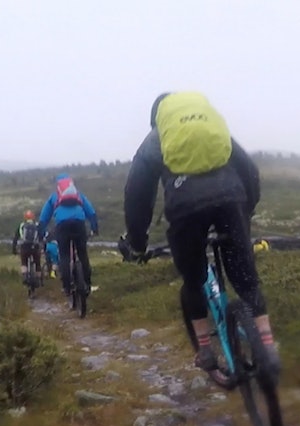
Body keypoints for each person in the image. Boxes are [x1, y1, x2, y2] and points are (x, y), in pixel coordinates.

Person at [120, 91, 280, 377]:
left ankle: (205, 350)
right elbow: (248, 170)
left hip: (185, 207)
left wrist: (138, 242)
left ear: (158, 117)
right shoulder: (212, 127)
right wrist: (247, 210)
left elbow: (137, 196)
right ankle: (267, 346)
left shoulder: (156, 138)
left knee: (193, 281)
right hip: (232, 200)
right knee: (246, 280)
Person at [38, 173, 99, 297]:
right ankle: (87, 284)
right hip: (79, 224)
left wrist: (41, 234)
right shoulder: (79, 195)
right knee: (82, 254)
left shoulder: (54, 197)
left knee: (64, 255)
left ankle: (67, 286)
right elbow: (91, 212)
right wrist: (94, 228)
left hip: (62, 226)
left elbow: (44, 218)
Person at [11, 210, 43, 286]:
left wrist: (14, 249)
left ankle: (25, 275)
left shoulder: (21, 225)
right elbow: (41, 237)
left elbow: (15, 238)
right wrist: (43, 247)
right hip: (35, 247)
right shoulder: (37, 225)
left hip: (25, 247)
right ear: (33, 217)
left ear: (25, 217)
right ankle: (38, 279)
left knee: (24, 261)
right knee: (37, 263)